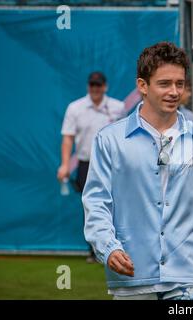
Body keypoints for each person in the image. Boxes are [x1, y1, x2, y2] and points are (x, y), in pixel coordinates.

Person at [82, 42, 193, 300]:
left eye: (180, 83)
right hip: (132, 275)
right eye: (164, 84)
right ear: (142, 85)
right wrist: (108, 248)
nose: (174, 91)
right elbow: (97, 203)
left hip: (186, 278)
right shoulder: (109, 139)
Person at [57, 71, 125, 263]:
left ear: (105, 87)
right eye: (92, 85)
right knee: (92, 206)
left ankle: (116, 248)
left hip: (114, 164)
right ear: (88, 86)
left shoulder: (117, 107)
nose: (95, 89)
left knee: (116, 205)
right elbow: (68, 138)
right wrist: (64, 165)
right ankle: (95, 251)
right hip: (86, 164)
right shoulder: (75, 108)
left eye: (99, 85)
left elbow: (123, 137)